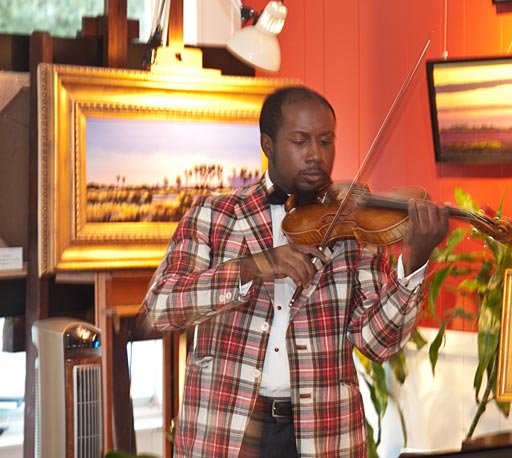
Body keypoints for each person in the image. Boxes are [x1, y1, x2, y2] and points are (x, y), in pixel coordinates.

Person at [141, 86, 449, 457]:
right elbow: (160, 308)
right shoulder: (214, 215)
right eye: (300, 141)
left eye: (326, 141)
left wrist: (414, 264)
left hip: (324, 436)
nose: (316, 155)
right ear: (268, 145)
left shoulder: (352, 225)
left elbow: (377, 343)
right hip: (225, 429)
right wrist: (254, 266)